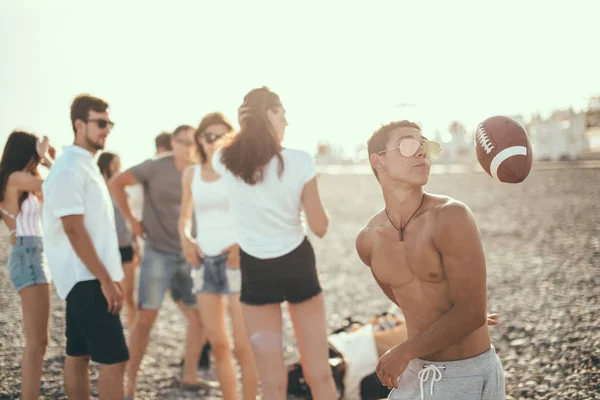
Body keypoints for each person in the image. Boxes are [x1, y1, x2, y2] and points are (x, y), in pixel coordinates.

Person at [355, 120, 506, 399]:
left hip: (468, 374)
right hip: (414, 373)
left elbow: (472, 313)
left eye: (425, 145)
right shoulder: (368, 241)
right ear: (379, 161)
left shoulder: (450, 216)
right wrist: (450, 319)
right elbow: (409, 301)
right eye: (409, 144)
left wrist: (404, 350)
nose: (422, 152)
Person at [213, 87, 338, 400]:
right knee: (319, 373)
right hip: (296, 263)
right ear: (269, 113)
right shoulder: (299, 161)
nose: (287, 121)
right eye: (282, 113)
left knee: (271, 382)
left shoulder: (224, 159)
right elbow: (320, 227)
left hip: (256, 268)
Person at [110, 125, 209, 397]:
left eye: (192, 142)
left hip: (188, 255)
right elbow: (116, 183)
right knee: (145, 320)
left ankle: (190, 375)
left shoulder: (202, 169)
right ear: (172, 143)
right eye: (182, 141)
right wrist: (132, 222)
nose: (188, 147)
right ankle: (129, 383)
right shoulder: (155, 167)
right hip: (158, 253)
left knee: (200, 319)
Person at [42, 94, 129, 399]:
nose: (107, 129)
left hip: (86, 276)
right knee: (115, 360)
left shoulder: (82, 164)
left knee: (78, 354)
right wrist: (106, 280)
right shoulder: (69, 168)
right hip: (87, 277)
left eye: (110, 123)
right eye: (101, 122)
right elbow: (74, 229)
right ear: (80, 124)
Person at [179, 112, 258, 399]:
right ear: (200, 139)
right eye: (209, 136)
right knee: (219, 346)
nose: (214, 142)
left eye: (222, 135)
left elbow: (254, 212)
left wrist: (240, 245)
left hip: (235, 262)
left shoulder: (237, 171)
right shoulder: (191, 173)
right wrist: (186, 240)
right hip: (204, 263)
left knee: (242, 345)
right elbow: (185, 217)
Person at [0, 131, 54, 400]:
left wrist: (45, 159)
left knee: (40, 341)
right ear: (26, 151)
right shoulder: (14, 178)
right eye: (34, 151)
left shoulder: (25, 181)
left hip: (33, 253)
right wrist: (45, 158)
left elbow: (56, 192)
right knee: (37, 342)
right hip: (28, 253)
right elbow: (56, 183)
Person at [98, 152, 140, 329]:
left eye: (119, 164)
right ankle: (107, 333)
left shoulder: (123, 190)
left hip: (126, 246)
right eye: (115, 164)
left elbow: (129, 219)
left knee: (129, 296)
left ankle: (132, 337)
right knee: (109, 296)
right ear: (106, 165)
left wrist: (136, 244)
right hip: (107, 249)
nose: (118, 168)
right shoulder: (98, 189)